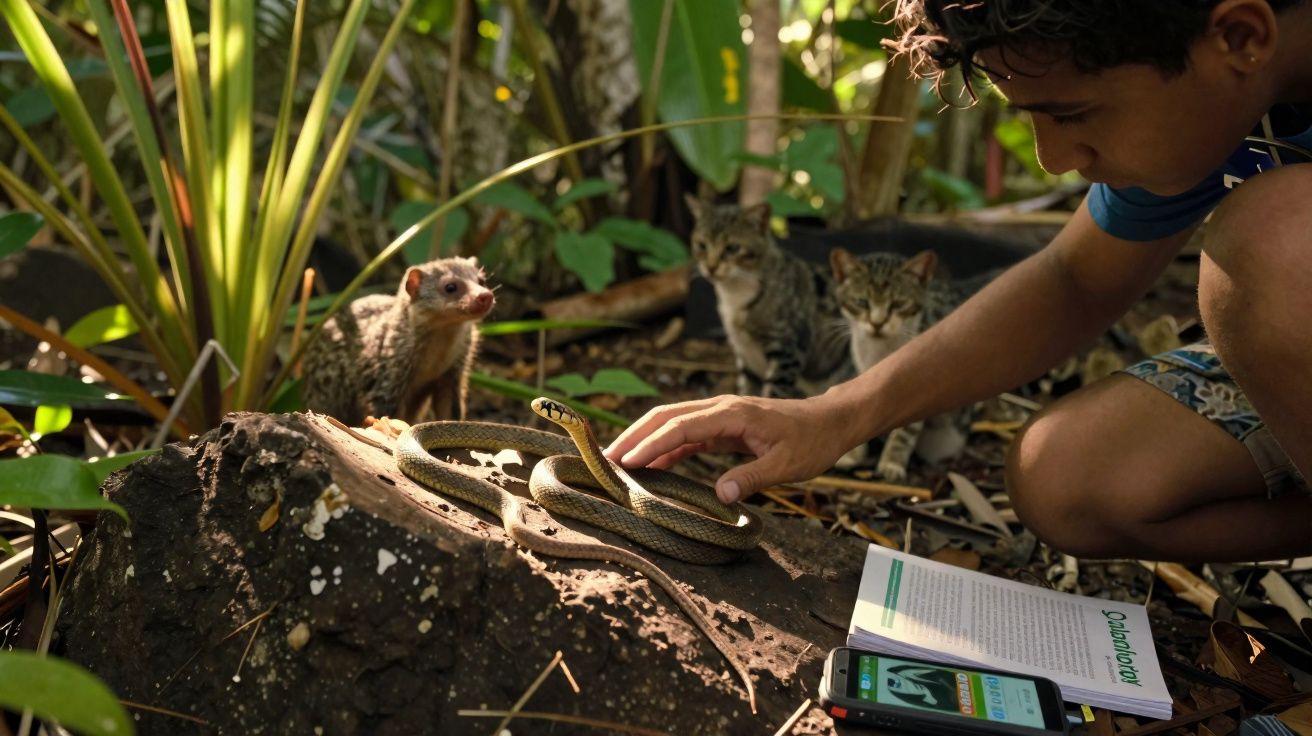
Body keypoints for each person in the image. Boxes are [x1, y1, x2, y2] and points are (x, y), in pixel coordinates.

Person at [605, 0, 1312, 563]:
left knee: (1274, 243)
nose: (1054, 159)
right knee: (1068, 478)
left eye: (1074, 114)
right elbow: (1074, 278)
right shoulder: (1226, 103)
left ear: (1242, 35)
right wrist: (833, 416)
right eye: (1032, 117)